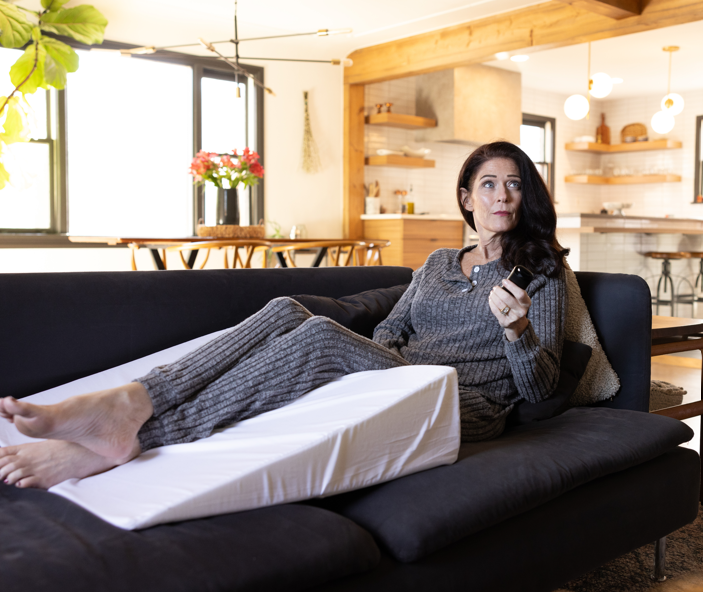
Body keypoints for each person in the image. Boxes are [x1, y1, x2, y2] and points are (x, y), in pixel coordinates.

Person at [0, 141, 568, 489]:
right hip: (398, 375)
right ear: (466, 199)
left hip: (462, 402)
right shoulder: (441, 261)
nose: (502, 196)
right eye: (488, 184)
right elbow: (396, 326)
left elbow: (540, 386)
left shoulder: (543, 272)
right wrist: (379, 354)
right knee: (284, 309)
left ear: (526, 198)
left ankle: (136, 433)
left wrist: (517, 330)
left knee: (321, 335)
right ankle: (134, 399)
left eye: (513, 185)